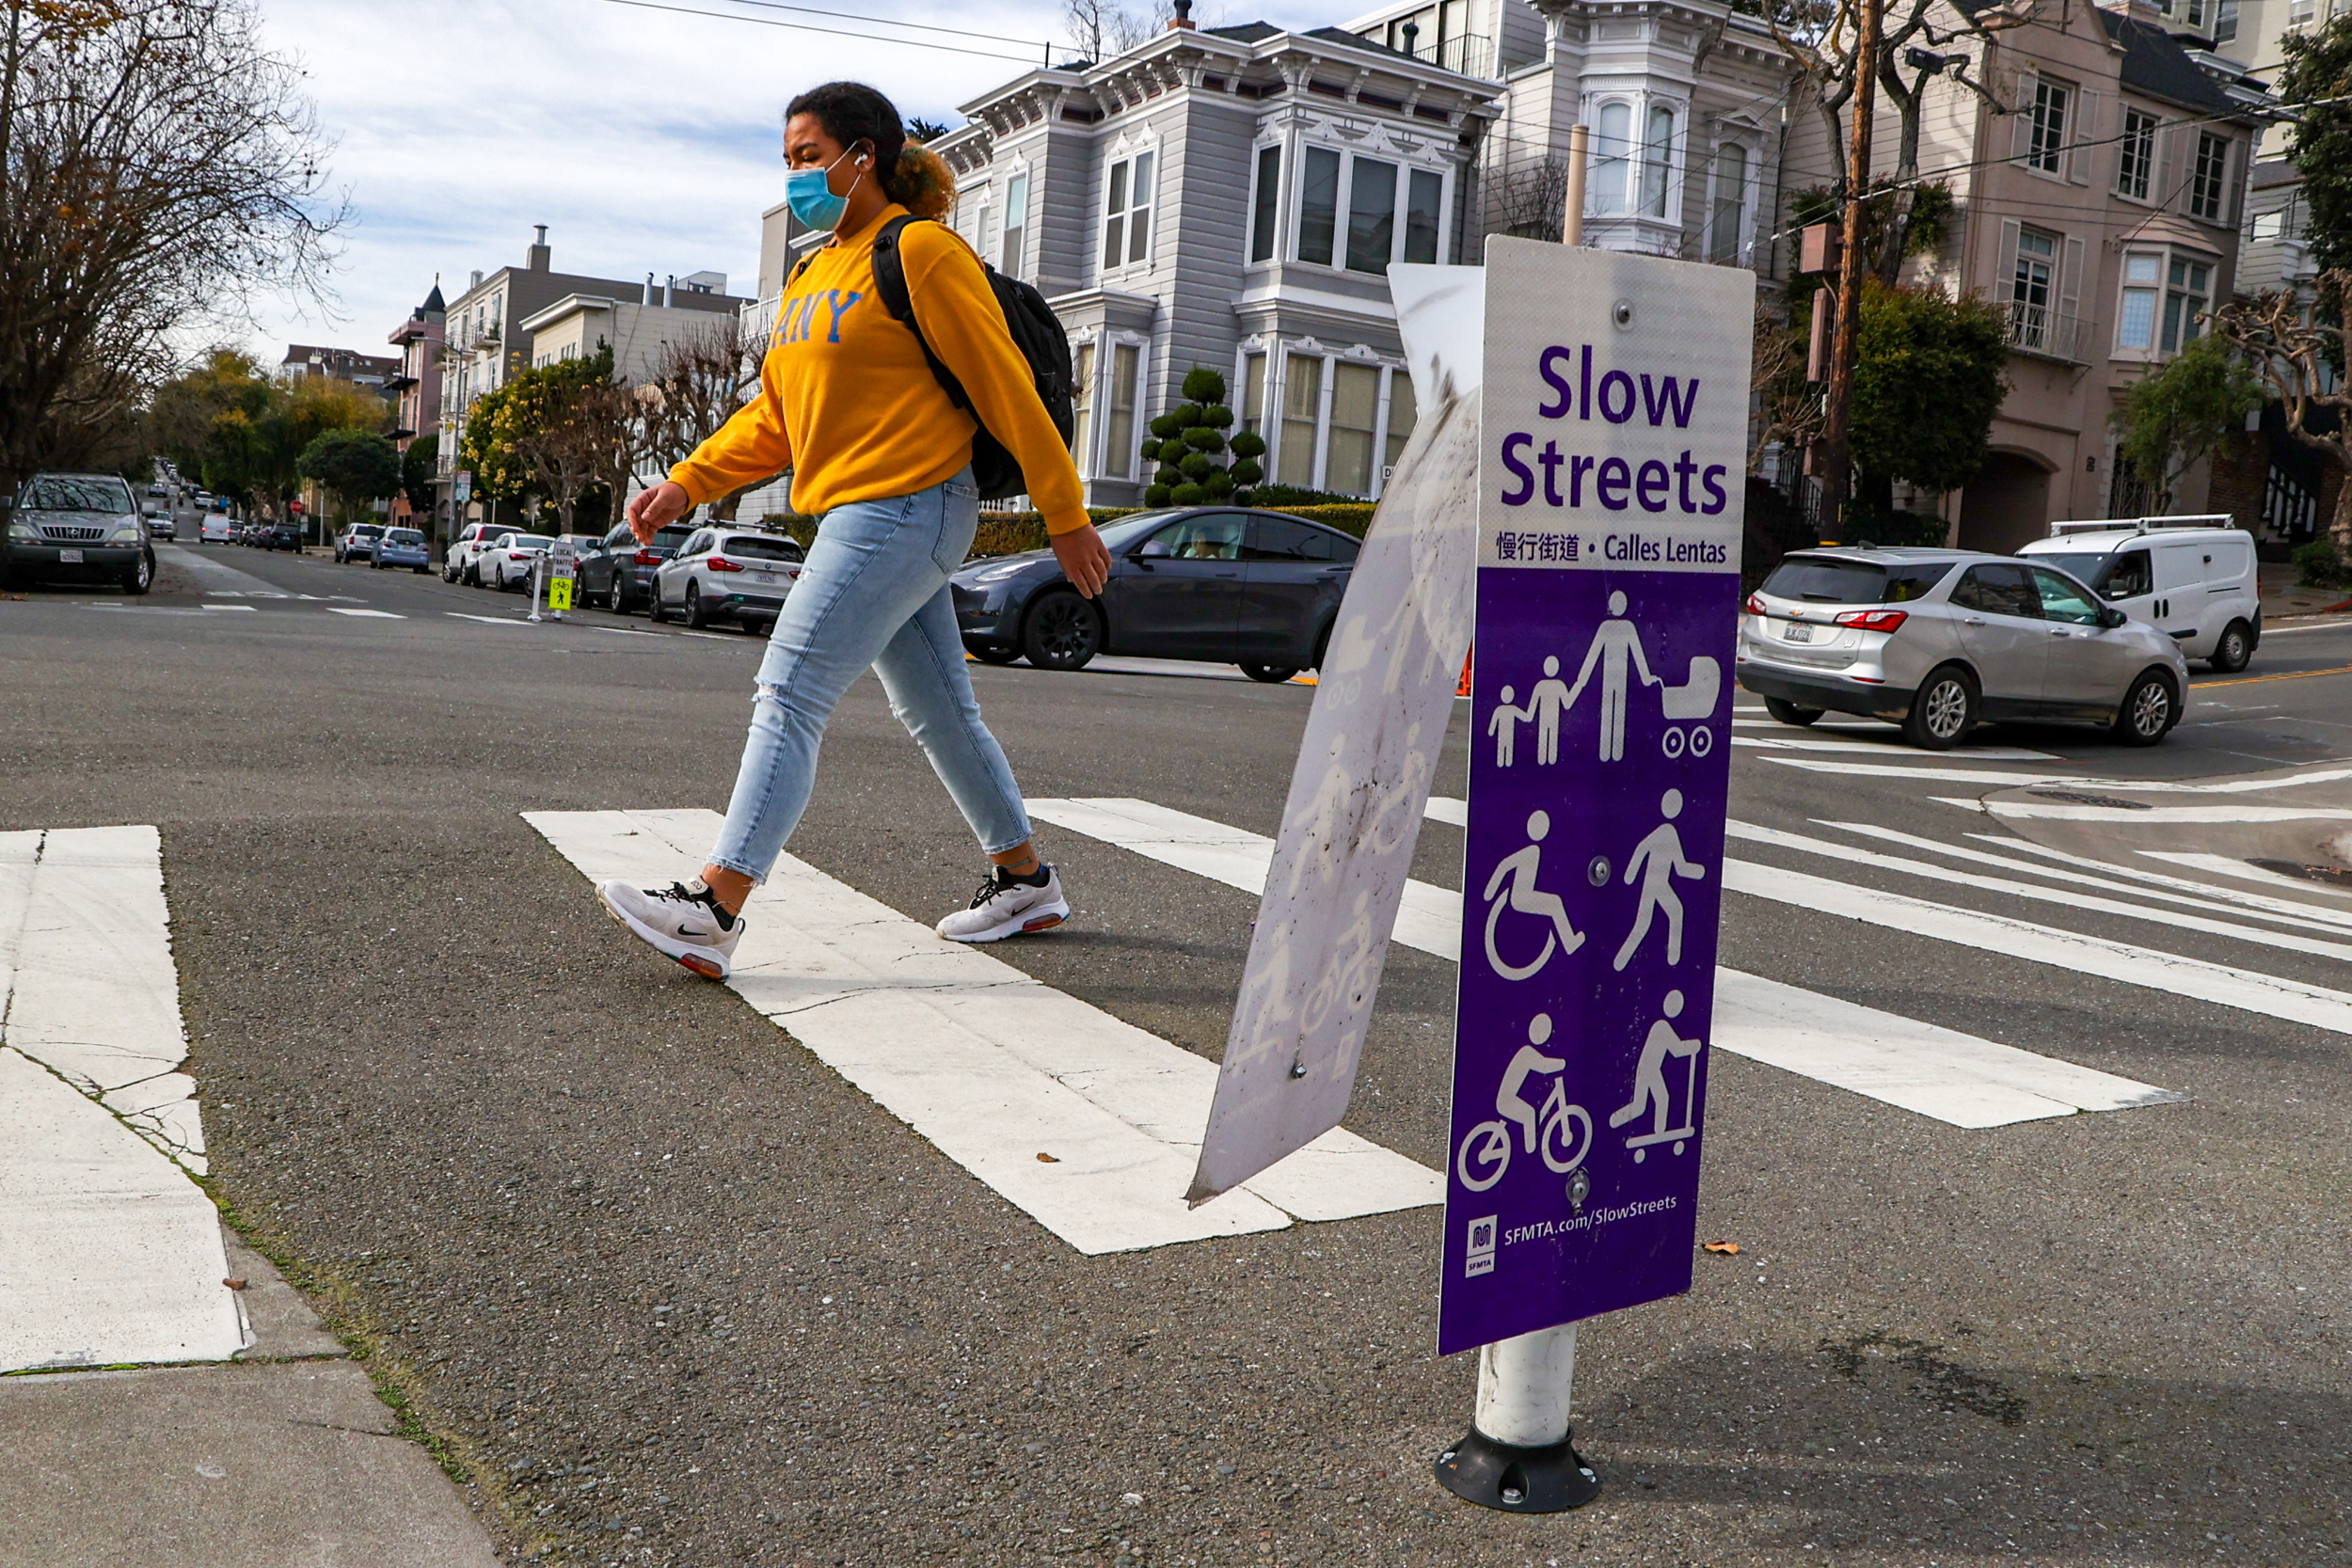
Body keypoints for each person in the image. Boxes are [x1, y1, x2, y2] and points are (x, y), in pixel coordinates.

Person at [597, 81, 1113, 980]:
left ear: (859, 156)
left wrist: (1065, 517)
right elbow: (779, 420)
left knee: (790, 687)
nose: (796, 176)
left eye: (807, 157)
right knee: (941, 712)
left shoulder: (919, 252)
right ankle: (1024, 876)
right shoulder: (809, 276)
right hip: (854, 511)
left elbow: (1006, 389)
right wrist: (685, 481)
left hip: (910, 504)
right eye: (788, 161)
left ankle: (716, 906)